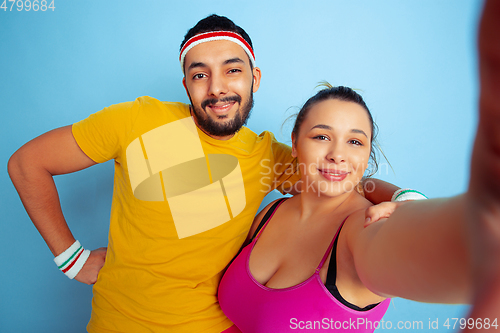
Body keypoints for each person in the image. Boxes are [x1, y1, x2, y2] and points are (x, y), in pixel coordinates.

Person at [7, 14, 403, 333]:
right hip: (117, 324)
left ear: (254, 78)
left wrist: (404, 200)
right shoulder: (135, 121)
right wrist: (71, 259)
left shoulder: (268, 155)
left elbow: (347, 177)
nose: (217, 88)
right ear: (186, 84)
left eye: (232, 70)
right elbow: (27, 164)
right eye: (200, 75)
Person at [218, 2, 500, 332]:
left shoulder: (363, 231)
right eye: (322, 136)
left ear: (366, 155)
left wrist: (419, 203)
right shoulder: (270, 212)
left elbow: (472, 251)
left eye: (355, 142)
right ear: (295, 144)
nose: (338, 155)